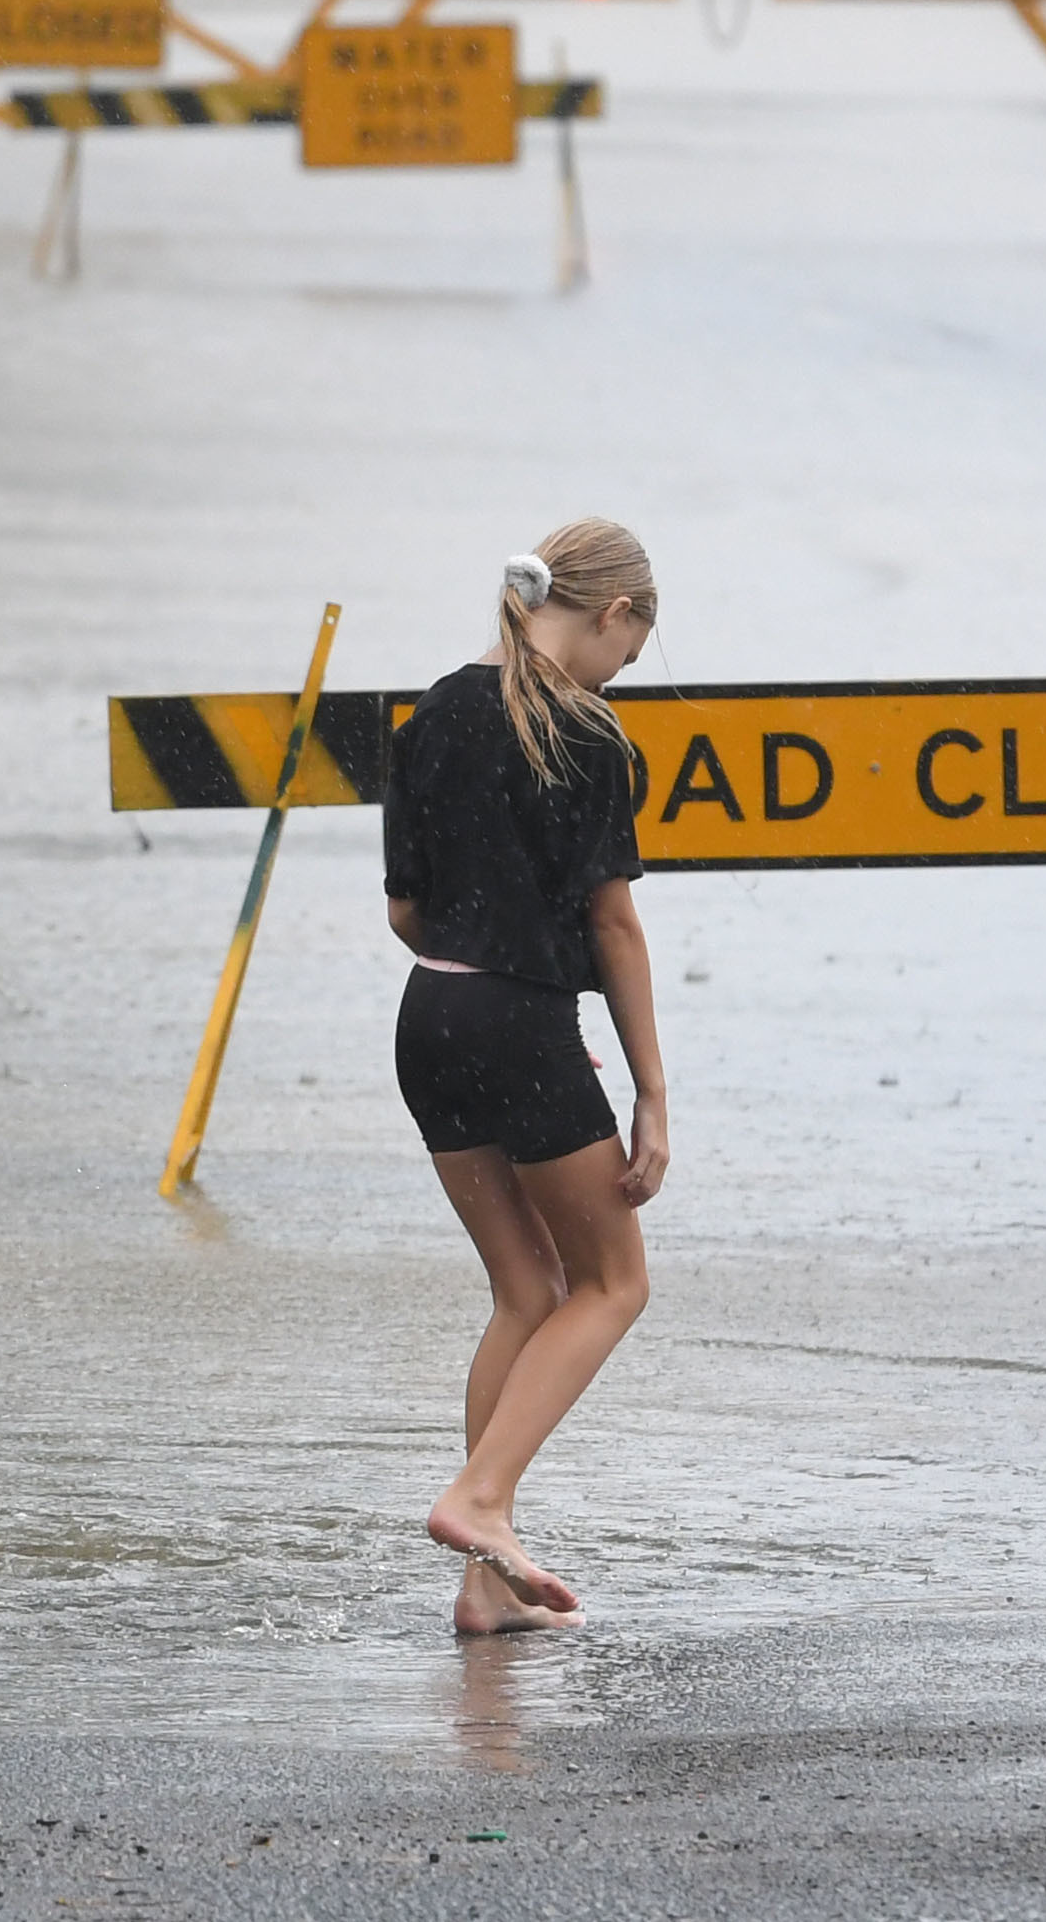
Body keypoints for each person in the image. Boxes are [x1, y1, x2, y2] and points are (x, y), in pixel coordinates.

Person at [386, 518, 670, 1637]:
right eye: (628, 653)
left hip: (430, 1017)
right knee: (612, 1282)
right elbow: (614, 920)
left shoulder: (432, 714)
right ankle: (480, 1498)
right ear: (611, 615)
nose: (620, 675)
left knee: (524, 1289)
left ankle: (481, 1584)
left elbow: (406, 909)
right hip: (519, 1020)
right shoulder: (591, 735)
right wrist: (649, 1089)